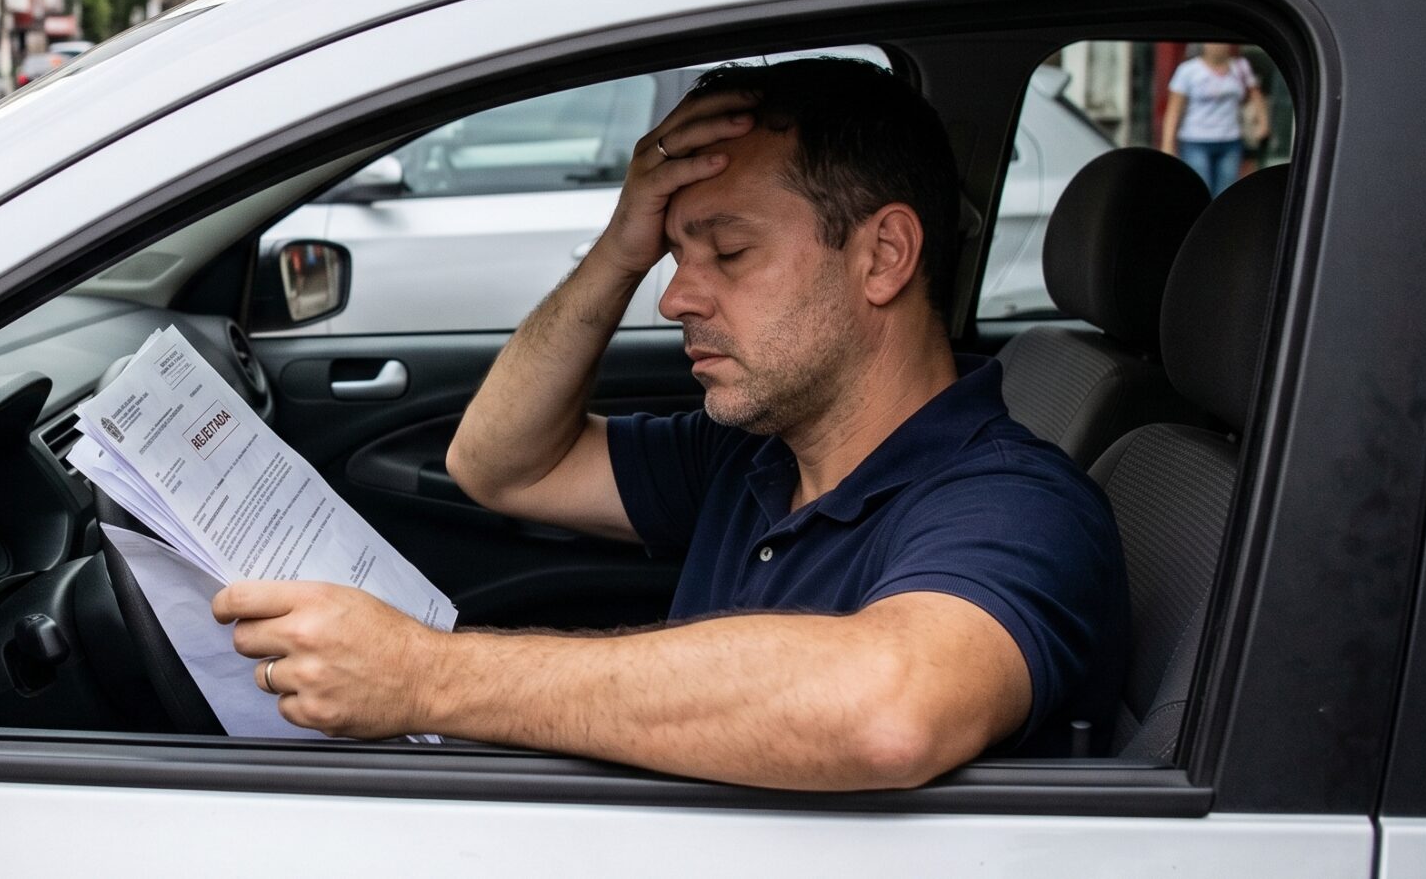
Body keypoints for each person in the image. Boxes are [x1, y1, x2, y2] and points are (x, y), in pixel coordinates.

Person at [212, 58, 1128, 790]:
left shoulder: (1018, 503)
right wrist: (620, 240)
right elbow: (498, 466)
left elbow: (887, 708)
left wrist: (426, 677)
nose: (677, 294)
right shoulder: (755, 452)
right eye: (672, 251)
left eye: (728, 250)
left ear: (883, 254)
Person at [1160, 42, 1267, 197]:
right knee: (1200, 191)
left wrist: (1263, 123)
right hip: (1196, 140)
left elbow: (1256, 95)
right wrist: (1168, 144)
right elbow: (1174, 110)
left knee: (1226, 194)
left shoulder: (1240, 67)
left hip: (1230, 140)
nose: (1218, 46)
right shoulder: (1188, 71)